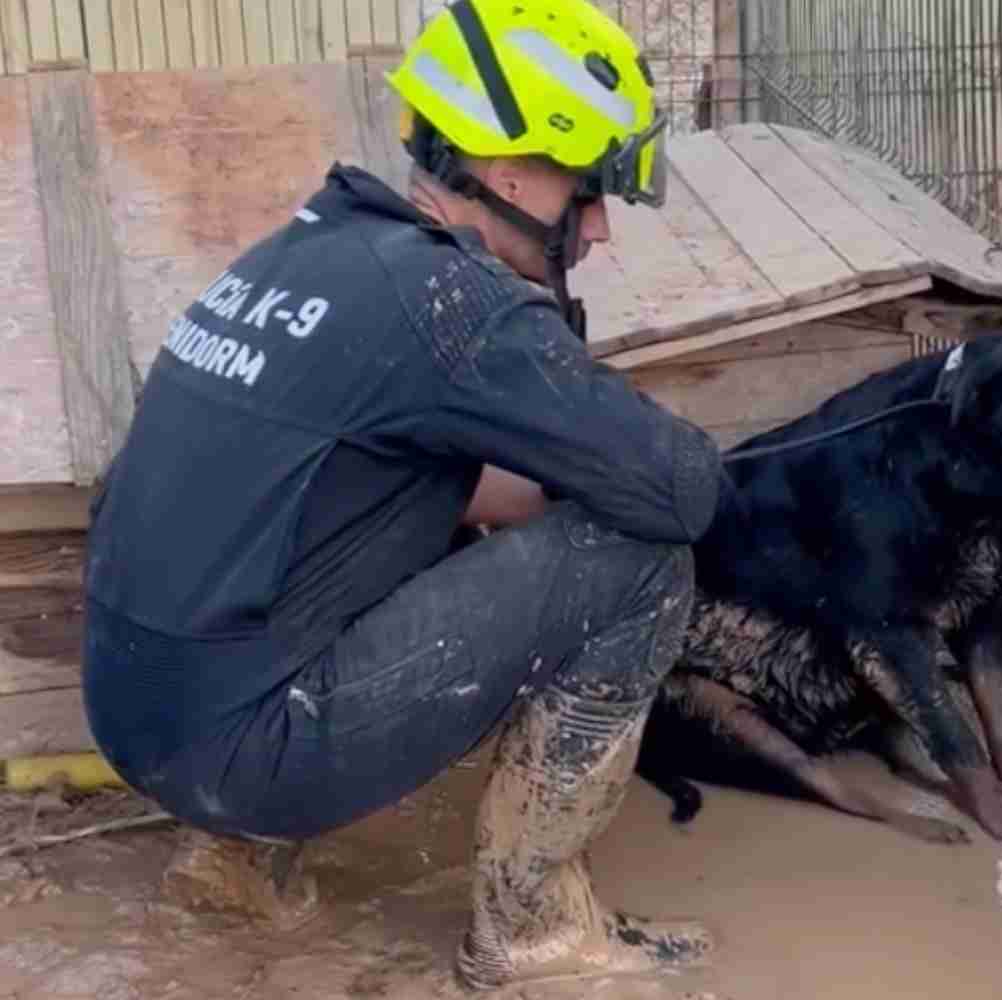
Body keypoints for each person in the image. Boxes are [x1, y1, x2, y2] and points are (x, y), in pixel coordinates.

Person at [79, 0, 724, 989]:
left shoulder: (313, 249)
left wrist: (480, 491)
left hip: (136, 714)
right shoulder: (453, 301)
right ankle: (535, 934)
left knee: (404, 517)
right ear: (509, 172)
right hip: (245, 748)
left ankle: (231, 866)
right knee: (636, 559)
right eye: (589, 191)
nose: (599, 227)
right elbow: (680, 491)